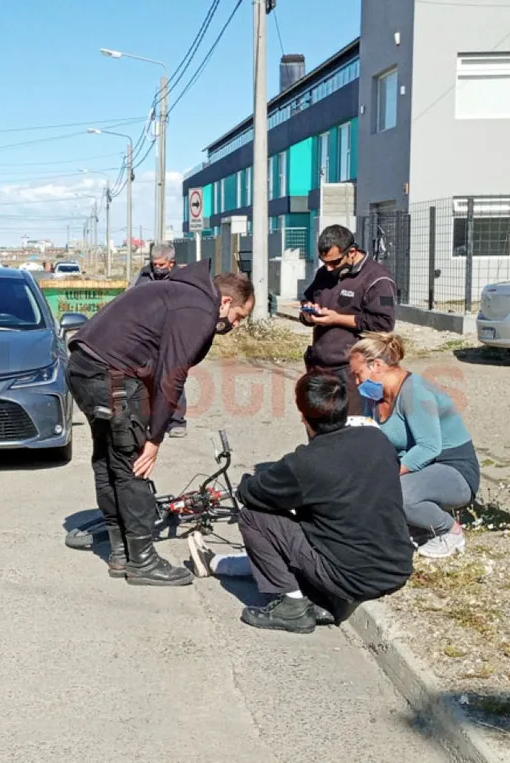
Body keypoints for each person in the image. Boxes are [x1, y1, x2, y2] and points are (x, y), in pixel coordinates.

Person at [67, 259, 255, 586]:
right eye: (239, 316)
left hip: (83, 369)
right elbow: (172, 376)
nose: (236, 325)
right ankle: (141, 560)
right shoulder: (199, 309)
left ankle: (120, 552)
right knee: (133, 463)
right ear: (226, 302)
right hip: (111, 376)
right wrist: (154, 439)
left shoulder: (179, 293)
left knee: (108, 460)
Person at [191, 372, 414, 633]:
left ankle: (291, 606)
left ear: (303, 415)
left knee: (253, 516)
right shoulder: (376, 440)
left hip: (352, 577)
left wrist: (251, 481)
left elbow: (251, 493)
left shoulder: (305, 463)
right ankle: (323, 596)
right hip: (396, 567)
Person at [349, 332, 480, 558]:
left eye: (358, 374)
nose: (356, 382)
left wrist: (386, 474)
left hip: (454, 471)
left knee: (396, 492)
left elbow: (429, 448)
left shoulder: (415, 392)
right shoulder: (373, 396)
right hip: (419, 469)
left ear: (377, 365)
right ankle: (416, 527)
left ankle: (449, 530)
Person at [300, 224, 397, 415]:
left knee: (351, 430)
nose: (328, 268)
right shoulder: (325, 273)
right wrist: (308, 313)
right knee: (319, 427)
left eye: (334, 262)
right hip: (319, 368)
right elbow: (307, 299)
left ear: (351, 252)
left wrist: (337, 319)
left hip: (352, 372)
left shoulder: (378, 279)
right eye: (323, 262)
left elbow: (383, 324)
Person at [131, 243, 187, 438]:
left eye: (161, 264)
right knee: (146, 378)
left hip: (173, 334)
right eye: (155, 264)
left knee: (174, 377)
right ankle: (149, 421)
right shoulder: (143, 276)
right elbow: (130, 299)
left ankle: (176, 421)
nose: (157, 268)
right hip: (146, 335)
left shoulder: (183, 278)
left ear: (171, 263)